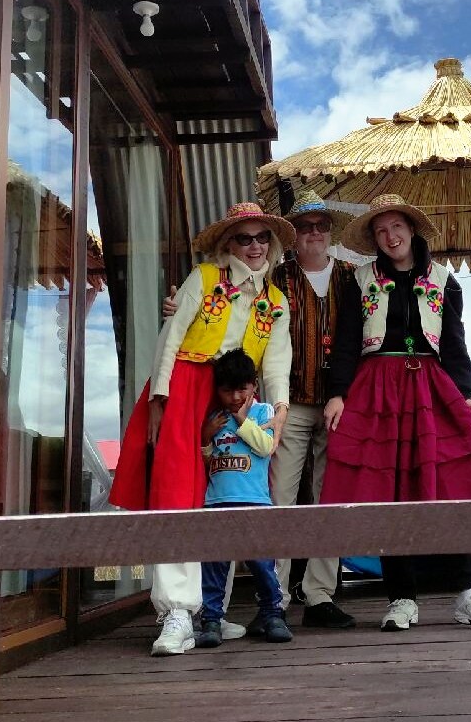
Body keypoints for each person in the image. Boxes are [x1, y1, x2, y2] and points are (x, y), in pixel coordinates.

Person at [163, 191, 359, 630]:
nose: (313, 233)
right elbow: (227, 311)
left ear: (331, 231)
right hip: (280, 403)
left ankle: (321, 595)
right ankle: (277, 599)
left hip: (337, 401)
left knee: (330, 498)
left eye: (321, 225)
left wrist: (344, 392)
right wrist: (178, 308)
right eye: (305, 226)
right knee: (273, 500)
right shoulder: (276, 278)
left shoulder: (353, 277)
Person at [109, 202, 294, 656]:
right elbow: (172, 334)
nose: (254, 246)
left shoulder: (274, 299)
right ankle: (175, 613)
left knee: (228, 498)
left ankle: (210, 611)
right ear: (227, 243)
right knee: (177, 497)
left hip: (235, 397)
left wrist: (279, 407)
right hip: (188, 389)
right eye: (244, 238)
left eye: (261, 238)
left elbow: (277, 357)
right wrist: (160, 398)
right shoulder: (204, 278)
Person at [320, 193, 471, 633]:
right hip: (376, 389)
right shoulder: (360, 279)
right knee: (390, 493)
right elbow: (347, 340)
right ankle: (401, 598)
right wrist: (338, 394)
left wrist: (465, 393)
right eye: (381, 230)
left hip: (430, 387)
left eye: (396, 227)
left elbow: (455, 343)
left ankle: (470, 592)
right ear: (374, 238)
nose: (390, 236)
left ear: (411, 229)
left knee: (454, 487)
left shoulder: (444, 281)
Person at [196, 349, 292, 647]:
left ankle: (272, 614)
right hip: (217, 502)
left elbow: (266, 447)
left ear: (254, 386)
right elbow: (207, 462)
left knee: (262, 562)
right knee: (214, 565)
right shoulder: (215, 419)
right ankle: (211, 620)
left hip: (255, 502)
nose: (236, 396)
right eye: (228, 391)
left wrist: (241, 420)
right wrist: (205, 438)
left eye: (242, 389)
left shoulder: (263, 413)